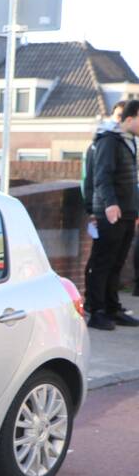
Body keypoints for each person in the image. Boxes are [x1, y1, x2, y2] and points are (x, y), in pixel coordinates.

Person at [86, 99, 139, 329]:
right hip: (111, 212)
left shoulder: (129, 141)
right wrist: (110, 204)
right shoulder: (109, 140)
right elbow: (102, 175)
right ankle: (96, 311)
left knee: (117, 262)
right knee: (103, 261)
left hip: (126, 211)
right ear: (130, 118)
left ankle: (112, 307)